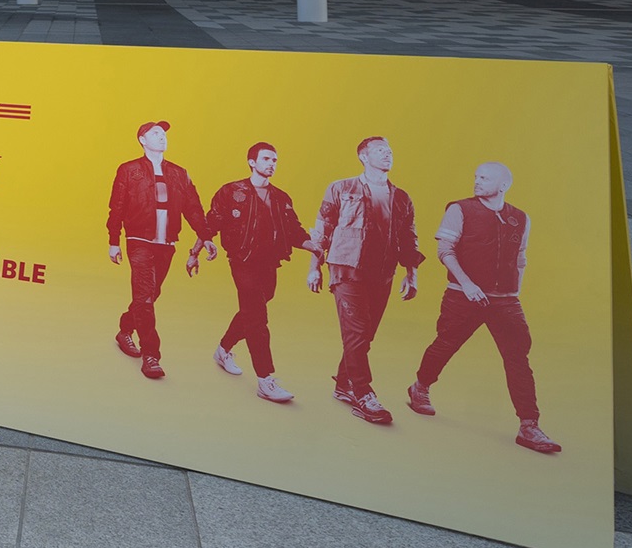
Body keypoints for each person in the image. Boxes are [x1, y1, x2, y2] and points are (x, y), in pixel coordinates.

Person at [408, 161, 562, 454]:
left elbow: (521, 257)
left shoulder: (520, 217)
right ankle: (420, 387)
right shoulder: (460, 209)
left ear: (503, 185)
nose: (477, 181)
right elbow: (445, 251)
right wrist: (467, 284)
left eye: (485, 178)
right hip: (462, 295)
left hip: (505, 300)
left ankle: (529, 425)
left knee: (518, 358)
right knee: (446, 344)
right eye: (476, 176)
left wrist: (513, 291)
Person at [307, 135, 420, 428]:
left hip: (382, 273)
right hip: (346, 269)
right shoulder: (342, 188)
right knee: (356, 332)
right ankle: (363, 393)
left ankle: (344, 383)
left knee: (366, 335)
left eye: (390, 151)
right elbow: (323, 228)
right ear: (363, 157)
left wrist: (412, 274)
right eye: (380, 151)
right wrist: (314, 267)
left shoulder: (402, 197)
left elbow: (409, 237)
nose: (387, 155)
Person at [195, 140, 305, 404]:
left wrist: (316, 247)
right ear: (252, 162)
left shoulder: (281, 197)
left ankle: (223, 350)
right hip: (242, 261)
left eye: (275, 160)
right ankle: (266, 380)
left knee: (254, 308)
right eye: (267, 159)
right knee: (257, 318)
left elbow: (294, 230)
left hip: (269, 263)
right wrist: (195, 250)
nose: (272, 164)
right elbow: (212, 222)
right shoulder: (232, 191)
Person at [103, 119, 205, 381]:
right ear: (142, 140)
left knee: (149, 295)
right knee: (145, 297)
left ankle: (125, 329)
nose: (162, 137)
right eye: (155, 133)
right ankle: (152, 356)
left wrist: (206, 237)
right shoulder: (129, 170)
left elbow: (193, 207)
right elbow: (117, 207)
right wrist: (114, 240)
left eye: (164, 134)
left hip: (166, 244)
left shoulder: (179, 173)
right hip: (139, 241)